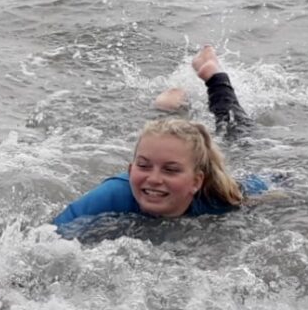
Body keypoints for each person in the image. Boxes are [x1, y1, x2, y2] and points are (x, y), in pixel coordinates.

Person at [53, 46, 268, 231]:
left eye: (170, 170)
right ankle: (169, 106)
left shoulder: (219, 196)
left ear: (196, 181)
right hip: (165, 143)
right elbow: (47, 237)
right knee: (164, 131)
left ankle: (213, 75)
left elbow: (281, 183)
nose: (154, 179)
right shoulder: (113, 195)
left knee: (239, 135)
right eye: (143, 166)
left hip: (213, 162)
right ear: (130, 171)